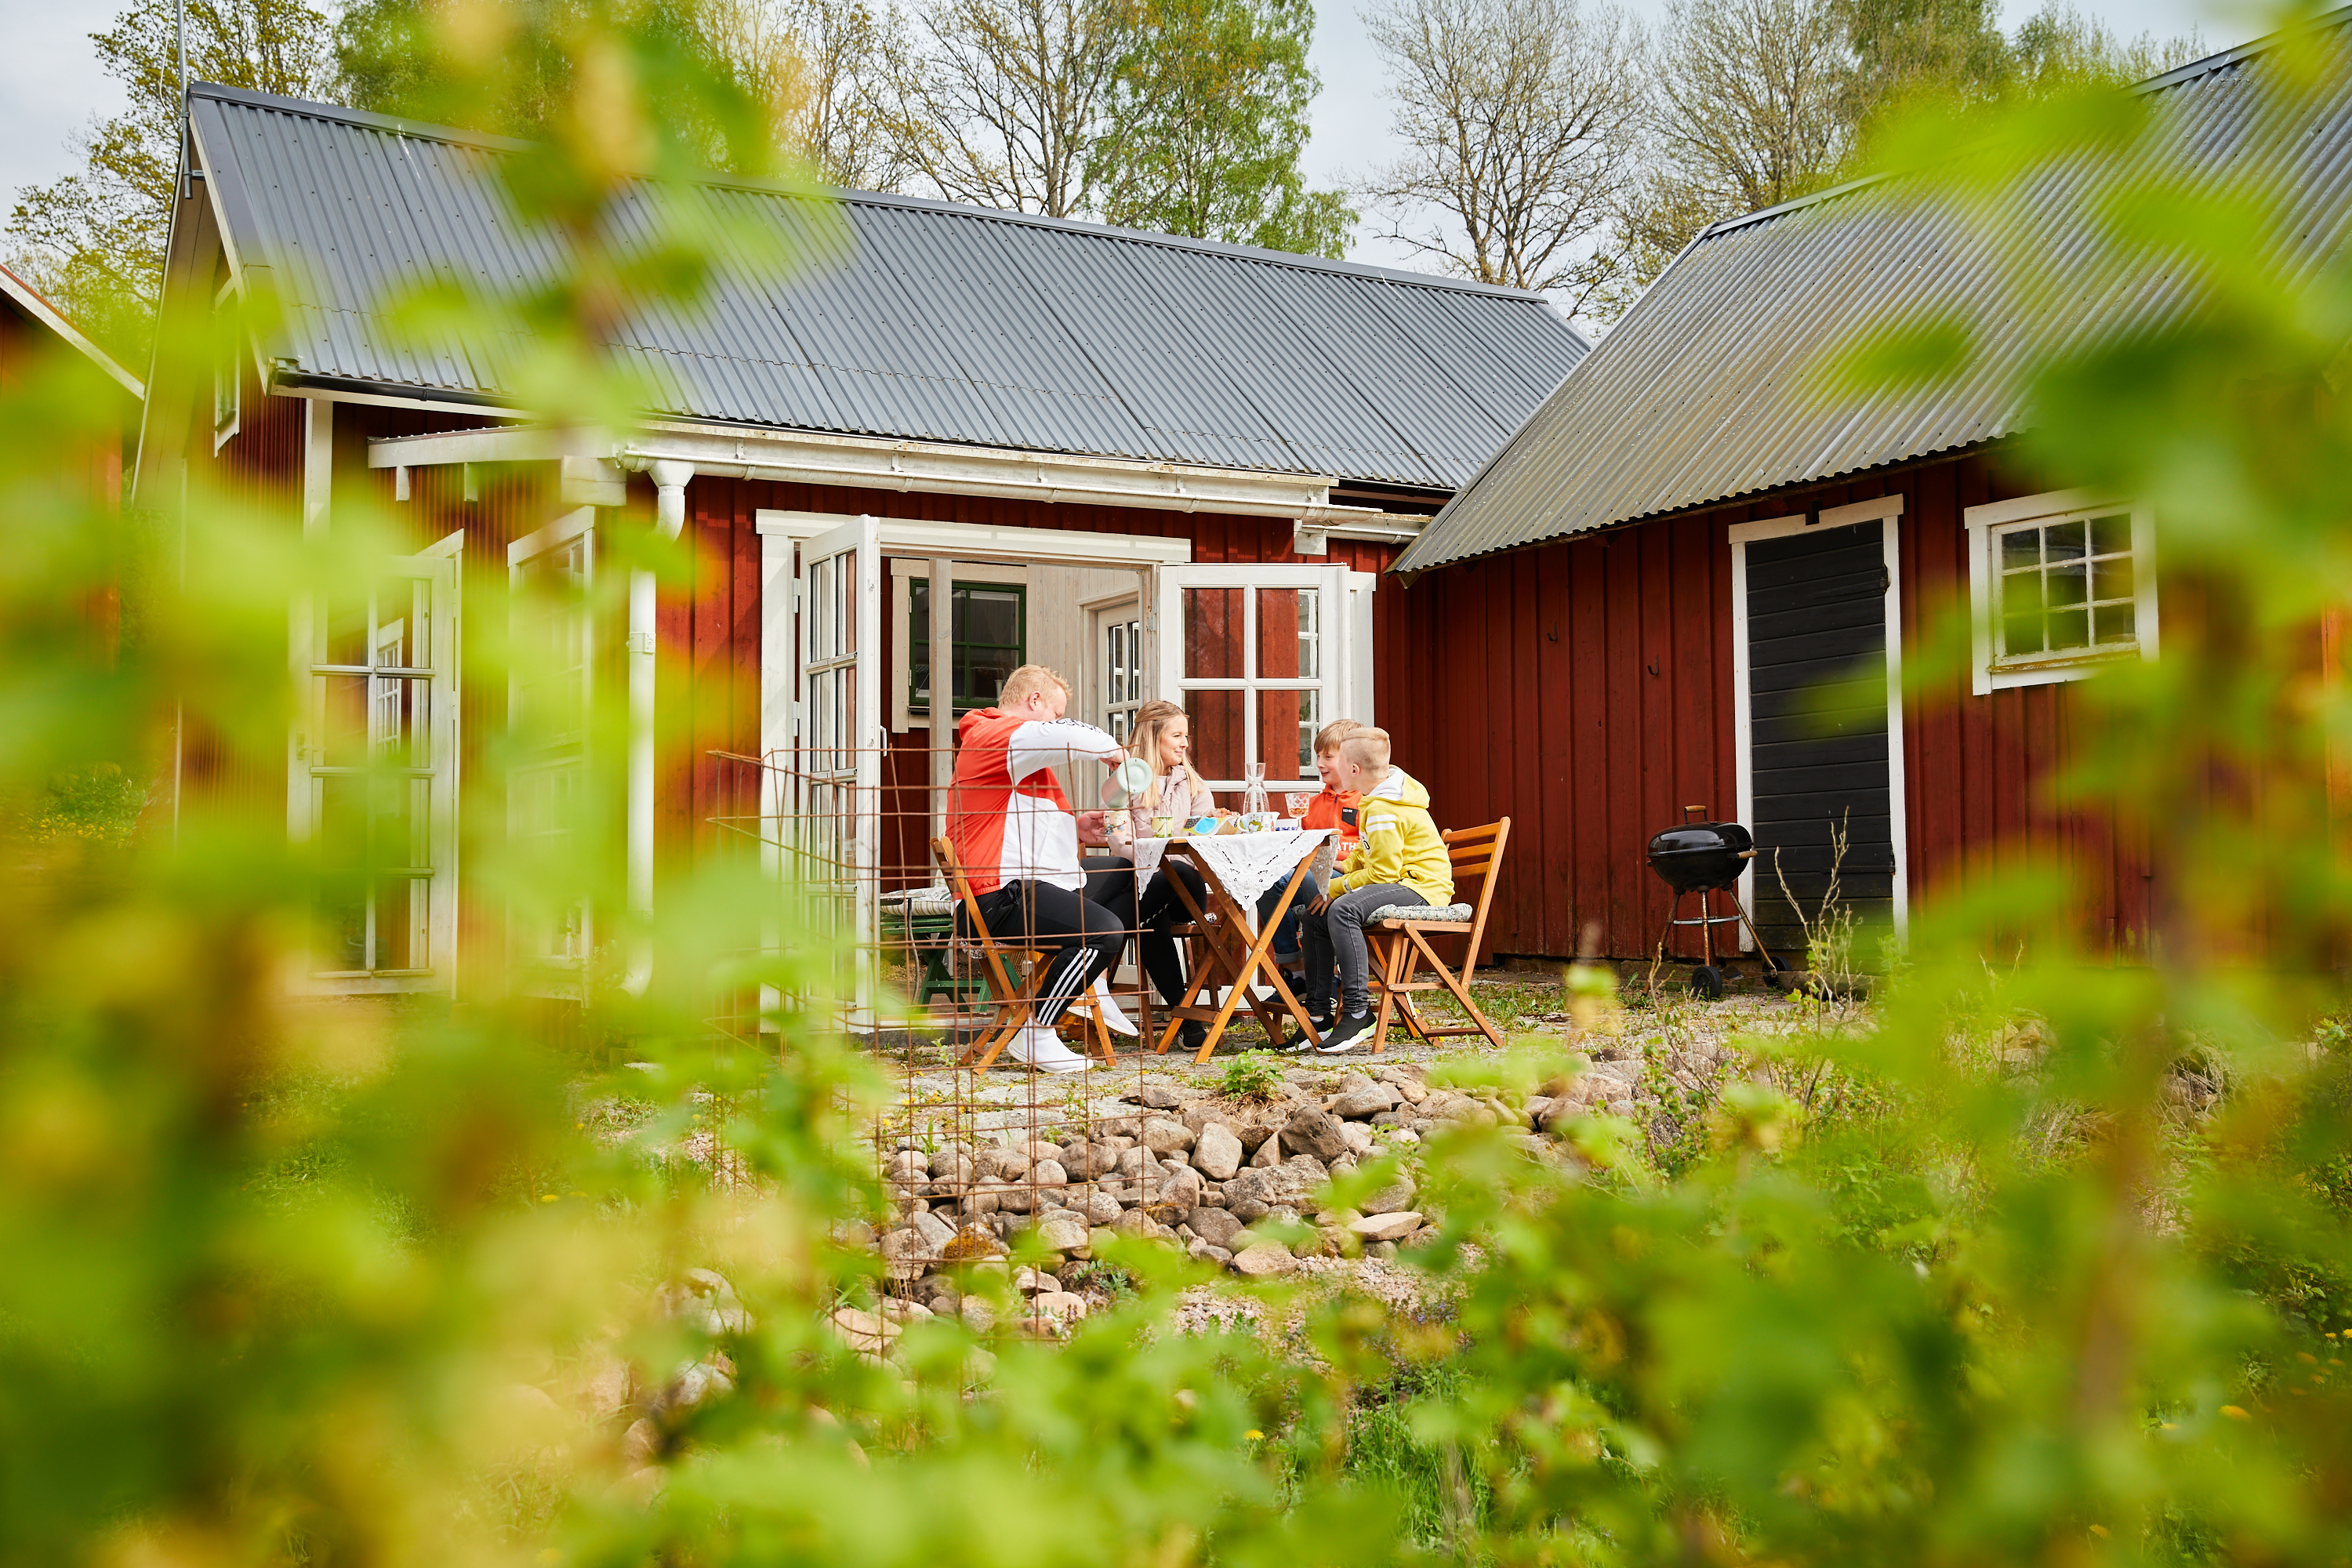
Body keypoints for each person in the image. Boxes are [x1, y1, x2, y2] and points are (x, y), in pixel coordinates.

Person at [946, 665, 1131, 1073]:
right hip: (995, 900)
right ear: (1034, 702)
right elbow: (1070, 734)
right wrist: (1116, 753)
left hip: (1014, 887)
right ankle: (1038, 1033)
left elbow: (1019, 824)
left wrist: (1078, 827)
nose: (1055, 721)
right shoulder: (990, 734)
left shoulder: (1018, 761)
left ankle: (1092, 981)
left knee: (1121, 871)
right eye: (1054, 712)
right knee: (1103, 933)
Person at [1288, 727, 1452, 1055]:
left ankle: (1358, 1012)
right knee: (1316, 914)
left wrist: (1334, 889)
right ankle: (1319, 1014)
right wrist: (1333, 875)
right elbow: (1365, 860)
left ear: (1354, 770)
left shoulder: (1382, 809)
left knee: (1342, 908)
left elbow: (1383, 873)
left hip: (1421, 887)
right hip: (1402, 882)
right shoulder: (1376, 799)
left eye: (1338, 760)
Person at [1099, 699, 1214, 1051]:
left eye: (1186, 736)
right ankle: (1187, 1019)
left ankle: (1094, 931)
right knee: (1152, 921)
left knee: (1175, 868)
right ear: (1153, 738)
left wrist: (1160, 853)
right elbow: (1118, 842)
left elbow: (1203, 837)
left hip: (1187, 890)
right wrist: (1150, 855)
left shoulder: (1193, 783)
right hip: (1146, 892)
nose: (1185, 744)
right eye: (1177, 735)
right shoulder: (1123, 784)